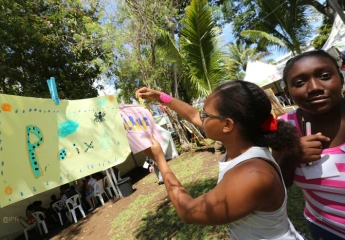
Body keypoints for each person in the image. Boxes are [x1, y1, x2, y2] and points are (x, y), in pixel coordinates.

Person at [136, 81, 304, 239]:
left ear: (227, 125)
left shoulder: (252, 175)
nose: (201, 117)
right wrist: (161, 97)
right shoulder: (245, 148)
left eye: (206, 114)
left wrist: (159, 159)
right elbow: (192, 114)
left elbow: (188, 211)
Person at [274, 50, 345, 240]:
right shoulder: (285, 127)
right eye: (299, 82)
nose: (314, 87)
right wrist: (292, 155)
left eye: (324, 76)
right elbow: (279, 182)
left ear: (341, 78)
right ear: (288, 92)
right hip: (324, 228)